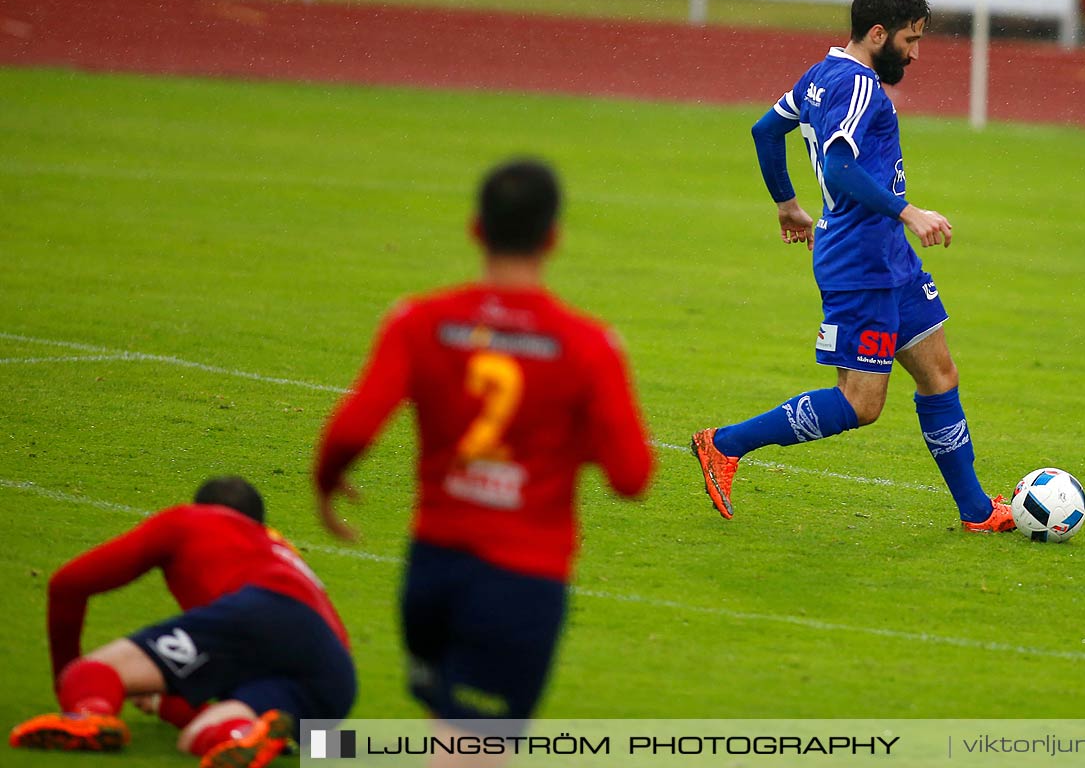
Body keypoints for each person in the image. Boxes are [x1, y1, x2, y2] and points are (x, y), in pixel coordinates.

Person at [313, 157, 653, 733]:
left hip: (431, 572)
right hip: (520, 585)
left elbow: (350, 429)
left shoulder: (418, 320)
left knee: (443, 728)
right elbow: (631, 477)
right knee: (476, 747)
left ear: (476, 229)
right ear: (553, 237)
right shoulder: (589, 346)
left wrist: (326, 485)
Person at [691, 0, 1014, 532]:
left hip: (889, 257)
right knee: (862, 403)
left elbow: (767, 131)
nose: (915, 53)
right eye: (910, 40)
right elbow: (840, 167)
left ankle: (978, 512)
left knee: (939, 374)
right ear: (878, 33)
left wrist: (789, 206)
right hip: (860, 262)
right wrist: (908, 212)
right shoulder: (859, 85)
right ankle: (723, 444)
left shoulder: (822, 74)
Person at [9, 476, 354, 768]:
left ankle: (89, 715)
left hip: (260, 612)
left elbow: (68, 584)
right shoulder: (282, 551)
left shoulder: (189, 521)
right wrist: (164, 700)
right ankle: (238, 733)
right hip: (336, 675)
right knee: (197, 736)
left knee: (94, 672)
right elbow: (221, 664)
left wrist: (70, 681)